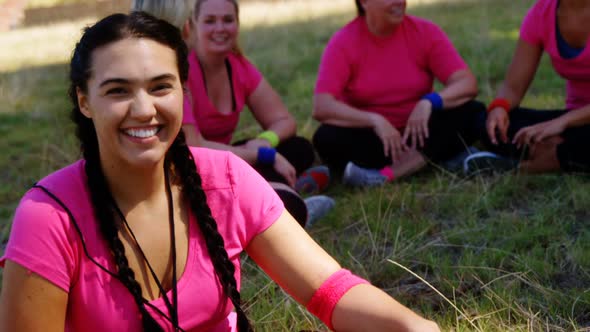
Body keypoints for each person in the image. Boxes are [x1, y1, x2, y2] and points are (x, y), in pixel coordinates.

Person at [0, 12, 440, 332]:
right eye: (117, 90)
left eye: (160, 87)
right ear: (83, 100)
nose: (143, 109)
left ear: (182, 92)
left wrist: (409, 326)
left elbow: (329, 290)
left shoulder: (226, 180)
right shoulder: (48, 217)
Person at [132, 0, 333, 227]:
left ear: (238, 24)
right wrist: (263, 155)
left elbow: (284, 120)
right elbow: (195, 146)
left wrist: (264, 142)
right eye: (210, 21)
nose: (220, 28)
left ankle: (279, 190)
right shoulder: (180, 72)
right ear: (192, 25)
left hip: (225, 160)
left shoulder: (237, 66)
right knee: (278, 191)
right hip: (190, 168)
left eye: (228, 20)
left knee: (298, 148)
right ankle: (289, 200)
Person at [312, 0, 486, 186]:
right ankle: (438, 158)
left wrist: (430, 101)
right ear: (364, 3)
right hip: (376, 139)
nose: (399, 2)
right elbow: (322, 106)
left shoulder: (425, 32)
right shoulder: (344, 42)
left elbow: (467, 83)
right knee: (326, 138)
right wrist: (374, 120)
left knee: (472, 111)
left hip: (423, 131)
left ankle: (384, 175)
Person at [472, 0, 590, 173]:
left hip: (572, 122)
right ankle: (565, 151)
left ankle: (545, 161)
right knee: (488, 123)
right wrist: (499, 108)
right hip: (573, 122)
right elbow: (513, 88)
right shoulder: (541, 13)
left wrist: (562, 122)